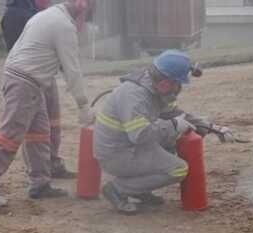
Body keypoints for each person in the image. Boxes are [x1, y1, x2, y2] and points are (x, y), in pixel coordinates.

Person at [0, 0, 98, 208]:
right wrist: (83, 106)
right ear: (81, 5)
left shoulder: (47, 14)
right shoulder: (63, 25)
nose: (83, 23)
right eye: (86, 16)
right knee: (10, 133)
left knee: (40, 134)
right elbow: (72, 69)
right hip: (24, 82)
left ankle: (40, 184)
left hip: (28, 79)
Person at [94, 50, 232, 214]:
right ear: (166, 82)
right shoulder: (135, 96)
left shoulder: (153, 87)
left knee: (169, 141)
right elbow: (140, 135)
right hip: (117, 155)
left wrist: (213, 128)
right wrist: (173, 126)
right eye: (178, 84)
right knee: (178, 169)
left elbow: (176, 114)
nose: (178, 89)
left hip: (127, 147)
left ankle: (139, 190)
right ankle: (118, 189)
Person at [0, 0, 74, 179]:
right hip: (28, 76)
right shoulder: (15, 12)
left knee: (53, 122)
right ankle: (38, 169)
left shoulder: (40, 9)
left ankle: (53, 162)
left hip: (46, 74)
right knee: (34, 128)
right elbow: (17, 49)